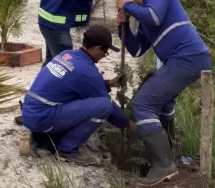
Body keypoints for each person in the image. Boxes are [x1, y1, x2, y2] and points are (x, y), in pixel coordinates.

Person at [116, 0, 211, 186]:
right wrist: (121, 25)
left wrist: (127, 5)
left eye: (124, 0)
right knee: (163, 106)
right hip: (182, 61)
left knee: (143, 104)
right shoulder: (145, 23)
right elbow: (137, 50)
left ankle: (163, 164)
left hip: (187, 58)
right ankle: (167, 154)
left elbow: (154, 16)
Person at [21, 25, 132, 166]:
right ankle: (68, 150)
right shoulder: (87, 71)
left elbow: (78, 84)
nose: (104, 56)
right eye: (105, 52)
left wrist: (108, 84)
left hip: (30, 112)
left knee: (81, 97)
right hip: (42, 118)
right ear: (97, 48)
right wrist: (127, 123)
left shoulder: (67, 55)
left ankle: (48, 138)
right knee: (104, 106)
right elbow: (108, 106)